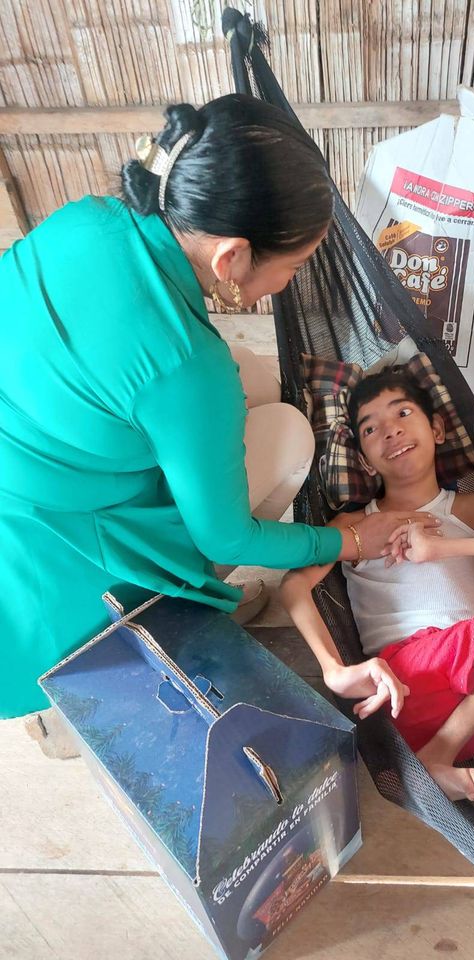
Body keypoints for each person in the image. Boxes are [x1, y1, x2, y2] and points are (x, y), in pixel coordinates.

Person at [0, 95, 439, 720]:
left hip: (36, 446)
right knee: (288, 436)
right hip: (48, 565)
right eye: (295, 265)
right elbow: (225, 532)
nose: (291, 281)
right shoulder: (186, 364)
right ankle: (139, 634)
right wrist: (346, 541)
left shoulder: (89, 218)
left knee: (249, 371)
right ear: (231, 256)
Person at [281, 368, 474, 809]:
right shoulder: (356, 524)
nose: (390, 430)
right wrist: (333, 670)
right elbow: (293, 586)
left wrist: (442, 547)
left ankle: (442, 753)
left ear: (436, 429)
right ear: (365, 461)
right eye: (371, 429)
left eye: (402, 413)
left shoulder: (468, 508)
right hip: (404, 689)